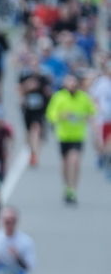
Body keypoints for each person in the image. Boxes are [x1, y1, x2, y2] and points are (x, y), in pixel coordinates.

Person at [46, 71, 96, 204]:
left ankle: (73, 189)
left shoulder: (84, 97)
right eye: (69, 82)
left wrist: (87, 118)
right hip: (63, 135)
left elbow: (92, 112)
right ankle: (66, 186)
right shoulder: (59, 97)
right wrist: (61, 116)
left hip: (78, 135)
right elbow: (50, 114)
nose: (72, 84)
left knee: (75, 160)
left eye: (74, 82)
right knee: (65, 163)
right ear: (65, 84)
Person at [17, 51, 52, 167]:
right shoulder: (24, 76)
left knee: (36, 129)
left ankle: (35, 155)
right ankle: (32, 151)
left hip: (39, 109)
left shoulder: (43, 78)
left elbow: (48, 93)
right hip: (28, 108)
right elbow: (19, 90)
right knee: (28, 133)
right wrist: (28, 87)